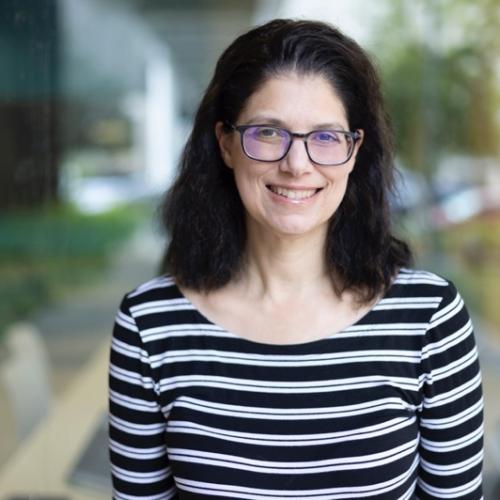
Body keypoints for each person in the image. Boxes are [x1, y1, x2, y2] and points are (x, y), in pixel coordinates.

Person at [108, 19, 483, 499]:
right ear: (225, 143)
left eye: (326, 137)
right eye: (269, 132)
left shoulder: (428, 318)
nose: (297, 164)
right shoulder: (150, 325)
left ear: (354, 152)